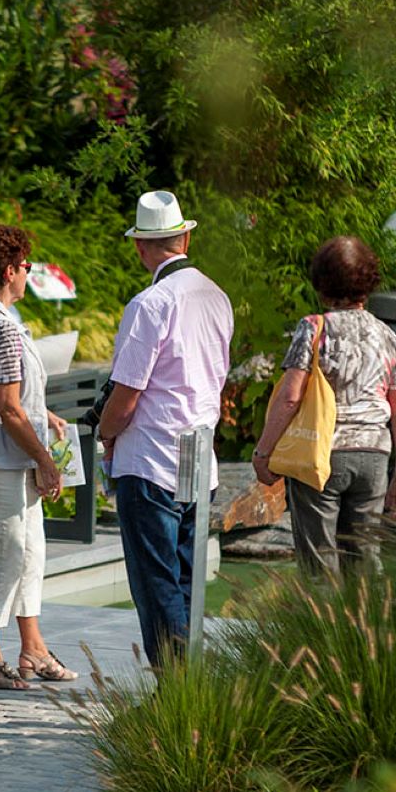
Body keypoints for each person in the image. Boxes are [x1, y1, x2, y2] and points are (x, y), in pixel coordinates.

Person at [99, 191, 234, 667]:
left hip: (152, 457)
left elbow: (126, 396)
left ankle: (174, 692)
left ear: (140, 247)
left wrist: (105, 433)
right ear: (186, 237)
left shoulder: (150, 303)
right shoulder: (217, 296)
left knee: (156, 583)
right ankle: (189, 688)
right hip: (199, 456)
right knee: (188, 580)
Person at [0, 225, 79, 689]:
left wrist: (42, 413)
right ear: (10, 271)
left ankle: (34, 648)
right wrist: (46, 462)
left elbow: (4, 392)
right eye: (27, 266)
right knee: (5, 553)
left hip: (6, 453)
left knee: (31, 552)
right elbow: (7, 408)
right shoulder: (0, 328)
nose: (30, 273)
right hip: (1, 458)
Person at [252, 235, 396, 577]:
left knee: (320, 568)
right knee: (366, 563)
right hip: (374, 457)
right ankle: (367, 628)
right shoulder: (387, 335)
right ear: (368, 283)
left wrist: (263, 452)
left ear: (321, 283)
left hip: (322, 455)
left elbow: (291, 396)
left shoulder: (313, 329)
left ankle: (322, 630)